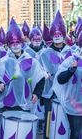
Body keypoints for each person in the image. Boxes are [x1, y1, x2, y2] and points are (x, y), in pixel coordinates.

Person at [0, 18, 45, 134]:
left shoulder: (31, 61)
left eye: (18, 43)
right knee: (8, 132)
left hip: (25, 104)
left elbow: (40, 78)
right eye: (12, 43)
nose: (16, 45)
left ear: (22, 43)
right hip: (7, 104)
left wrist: (37, 94)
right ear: (8, 45)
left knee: (22, 132)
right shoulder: (4, 61)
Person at [39, 10, 72, 139]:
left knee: (65, 122)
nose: (57, 36)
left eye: (60, 33)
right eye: (55, 33)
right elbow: (38, 72)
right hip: (50, 94)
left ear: (64, 34)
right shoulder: (44, 54)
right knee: (49, 120)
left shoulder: (71, 52)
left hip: (68, 94)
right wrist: (43, 74)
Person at [53, 31, 82, 139]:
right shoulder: (72, 60)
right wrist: (71, 70)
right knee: (76, 133)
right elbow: (60, 79)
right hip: (75, 106)